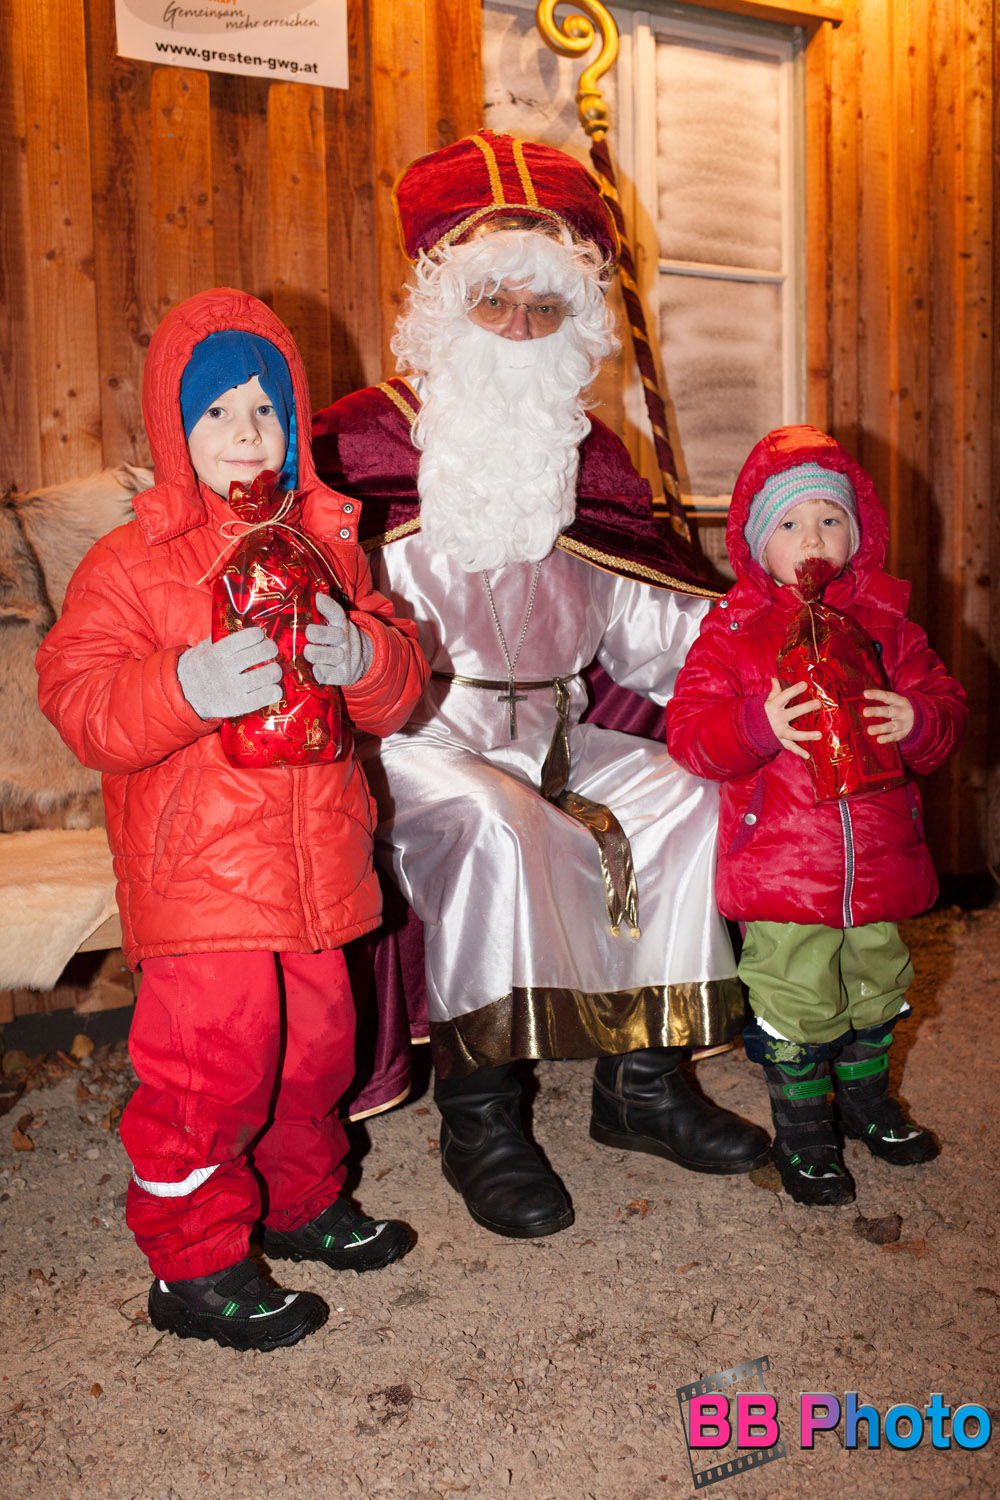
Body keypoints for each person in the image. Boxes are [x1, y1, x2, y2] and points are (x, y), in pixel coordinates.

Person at [312, 130, 769, 1242]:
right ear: (442, 304)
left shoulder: (590, 455)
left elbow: (651, 632)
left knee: (689, 793)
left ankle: (644, 1083)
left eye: (545, 308)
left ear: (578, 321)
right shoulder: (356, 446)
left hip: (560, 727)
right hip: (414, 737)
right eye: (494, 303)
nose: (519, 330)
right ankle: (481, 1118)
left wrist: (764, 654)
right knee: (493, 824)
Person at [37, 287, 430, 1350]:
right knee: (213, 1069)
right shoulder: (132, 564)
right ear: (176, 431)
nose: (246, 433)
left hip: (319, 868)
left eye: (266, 409)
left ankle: (301, 1203)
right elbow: (78, 701)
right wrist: (184, 684)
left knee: (318, 1054)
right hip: (200, 877)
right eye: (217, 412)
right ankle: (194, 1261)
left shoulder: (329, 550)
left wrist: (367, 657)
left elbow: (398, 684)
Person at [665, 424, 967, 1205]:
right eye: (790, 524)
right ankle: (803, 1132)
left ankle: (865, 1100)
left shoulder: (889, 627)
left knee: (878, 983)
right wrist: (757, 722)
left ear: (858, 536)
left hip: (882, 861)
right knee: (797, 998)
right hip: (784, 871)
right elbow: (690, 735)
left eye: (830, 520)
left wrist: (920, 719)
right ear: (755, 545)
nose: (812, 539)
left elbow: (948, 709)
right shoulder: (733, 632)